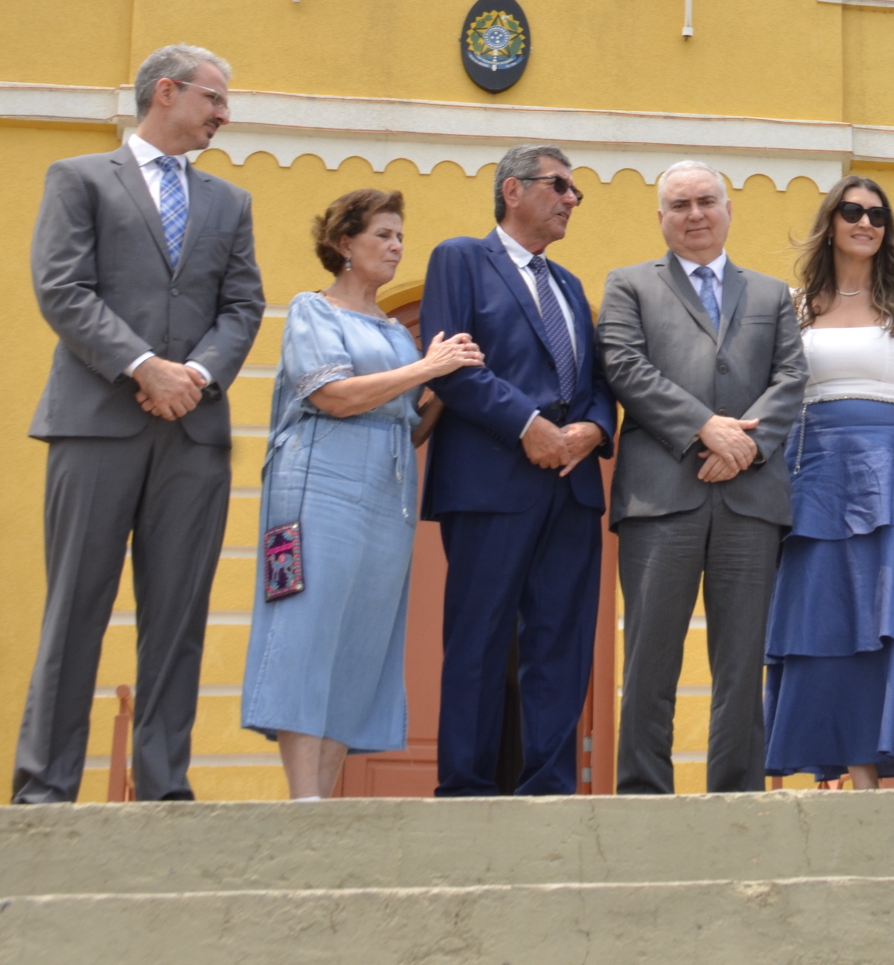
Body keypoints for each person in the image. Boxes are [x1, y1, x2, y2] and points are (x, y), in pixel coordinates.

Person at [12, 44, 265, 804]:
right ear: (166, 91)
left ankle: (162, 788)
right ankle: (45, 788)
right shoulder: (80, 179)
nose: (224, 115)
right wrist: (143, 366)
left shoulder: (230, 203)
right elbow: (62, 288)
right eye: (214, 99)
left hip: (193, 434)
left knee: (178, 619)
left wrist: (195, 375)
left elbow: (243, 305)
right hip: (95, 427)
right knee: (76, 610)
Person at [241, 190, 484, 799]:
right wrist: (429, 368)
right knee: (307, 629)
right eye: (383, 234)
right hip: (316, 489)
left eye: (400, 236)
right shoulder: (312, 310)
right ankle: (304, 802)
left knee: (358, 640)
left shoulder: (394, 334)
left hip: (386, 493)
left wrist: (455, 386)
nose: (396, 246)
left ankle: (325, 796)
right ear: (344, 243)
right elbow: (336, 396)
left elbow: (408, 420)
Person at [597, 161, 806, 795]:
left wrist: (743, 447)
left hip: (750, 500)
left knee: (742, 665)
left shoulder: (771, 294)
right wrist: (703, 429)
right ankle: (641, 797)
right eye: (680, 205)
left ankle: (736, 801)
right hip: (661, 500)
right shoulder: (629, 285)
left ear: (728, 209)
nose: (695, 214)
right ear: (660, 218)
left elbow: (791, 379)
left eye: (706, 201)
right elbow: (624, 366)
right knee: (650, 660)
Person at [418, 144, 616, 796]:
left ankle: (550, 789)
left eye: (574, 191)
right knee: (478, 641)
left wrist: (592, 428)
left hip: (571, 488)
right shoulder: (459, 260)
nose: (570, 200)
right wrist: (526, 426)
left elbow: (591, 381)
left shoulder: (570, 286)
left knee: (561, 643)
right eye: (559, 186)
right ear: (512, 190)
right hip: (491, 484)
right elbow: (455, 364)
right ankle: (465, 789)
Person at [763, 177, 894, 788]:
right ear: (832, 221)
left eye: (878, 213)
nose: (866, 221)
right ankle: (860, 776)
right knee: (833, 617)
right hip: (814, 470)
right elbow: (776, 396)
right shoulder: (794, 305)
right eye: (853, 211)